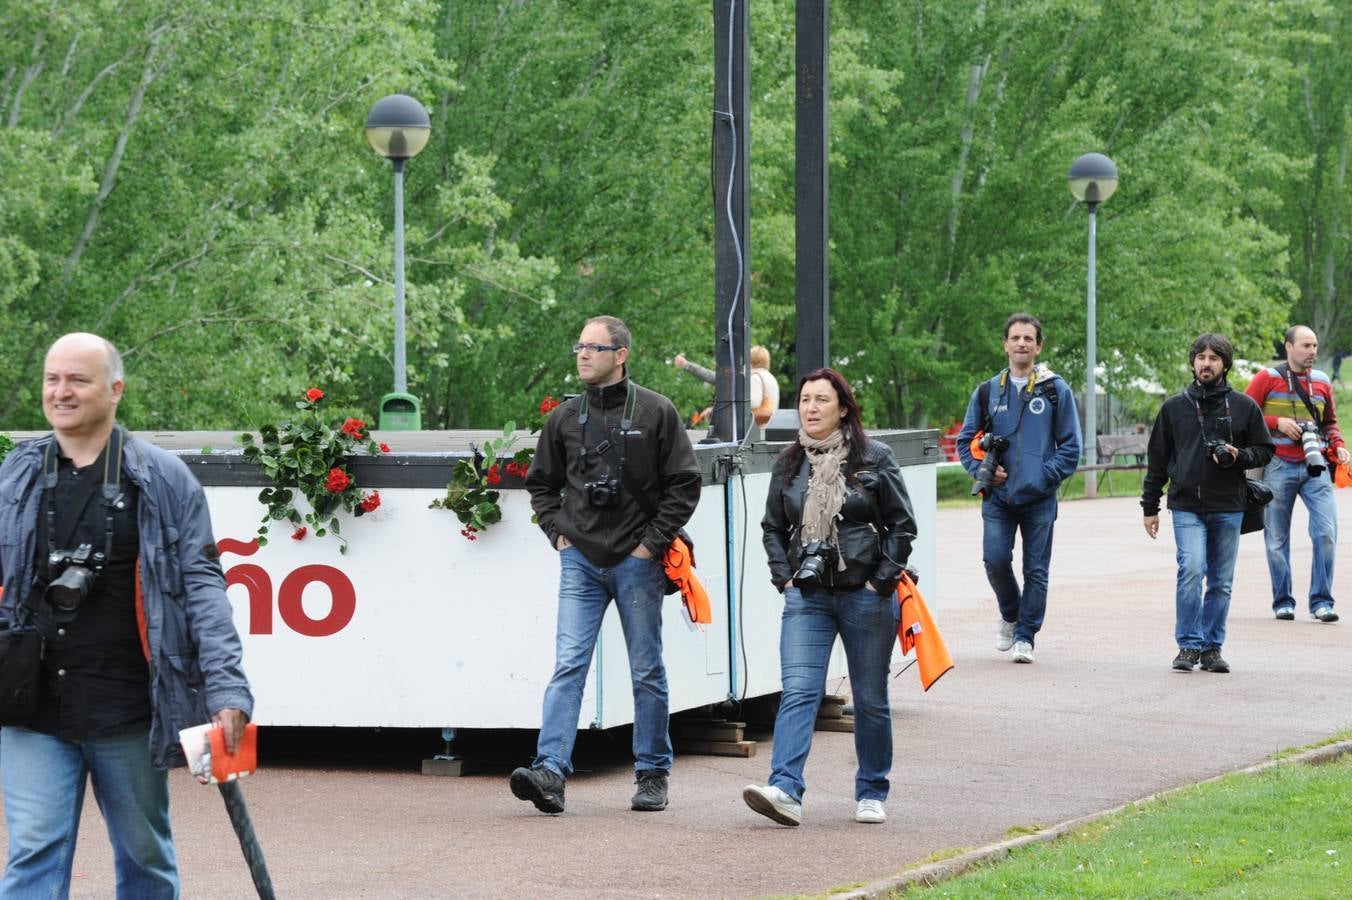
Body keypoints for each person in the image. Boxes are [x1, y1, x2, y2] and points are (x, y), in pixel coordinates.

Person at [0, 333, 253, 898]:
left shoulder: (161, 478)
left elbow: (203, 586)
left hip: (129, 707)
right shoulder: (15, 475)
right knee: (32, 851)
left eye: (77, 380)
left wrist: (227, 690)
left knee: (145, 855)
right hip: (31, 702)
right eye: (51, 379)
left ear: (115, 390)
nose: (60, 392)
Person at [514, 316, 700, 815]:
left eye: (593, 348)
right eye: (578, 346)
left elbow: (685, 483)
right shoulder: (564, 418)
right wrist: (559, 536)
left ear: (620, 355)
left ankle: (653, 774)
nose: (582, 355)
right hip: (580, 560)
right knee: (568, 665)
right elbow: (540, 485)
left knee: (646, 669)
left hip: (637, 561)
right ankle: (549, 771)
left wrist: (651, 545)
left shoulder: (657, 411)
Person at [743, 368, 917, 827]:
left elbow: (902, 526)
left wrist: (879, 582)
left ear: (843, 407)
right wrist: (784, 578)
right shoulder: (788, 463)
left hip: (865, 596)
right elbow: (773, 528)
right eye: (804, 400)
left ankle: (872, 789)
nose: (811, 408)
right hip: (808, 596)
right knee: (799, 691)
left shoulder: (874, 457)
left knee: (870, 697)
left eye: (822, 400)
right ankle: (784, 789)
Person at [1140, 334, 1274, 673]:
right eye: (1201, 356)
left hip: (1229, 505)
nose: (1206, 363)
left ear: (1225, 364)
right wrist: (1150, 506)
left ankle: (1212, 647)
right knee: (1192, 570)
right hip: (1186, 504)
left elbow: (1264, 449)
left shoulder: (1244, 406)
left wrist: (1238, 455)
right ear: (1193, 362)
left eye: (1214, 357)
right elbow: (1157, 459)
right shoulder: (1174, 407)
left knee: (1221, 580)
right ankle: (1188, 644)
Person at [956, 313, 1081, 664]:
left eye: (1029, 338)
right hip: (998, 498)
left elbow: (1071, 446)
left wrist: (1043, 476)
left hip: (1039, 498)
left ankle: (1026, 636)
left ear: (1038, 346)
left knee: (1036, 571)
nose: (1022, 343)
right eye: (1015, 338)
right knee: (994, 561)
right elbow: (965, 441)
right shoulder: (986, 391)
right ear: (1005, 344)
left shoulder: (1056, 390)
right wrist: (981, 470)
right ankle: (1011, 614)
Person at [1244, 325, 1350, 623]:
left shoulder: (1322, 380)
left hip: (1315, 466)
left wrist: (1339, 446)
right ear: (1288, 347)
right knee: (1276, 538)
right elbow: (1242, 415)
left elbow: (1329, 422)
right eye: (1306, 345)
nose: (1312, 351)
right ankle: (1283, 601)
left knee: (1327, 533)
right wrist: (1277, 421)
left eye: (1315, 346)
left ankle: (1321, 602)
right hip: (1278, 465)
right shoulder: (1267, 378)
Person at [673, 344, 780, 427]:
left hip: (755, 433)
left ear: (750, 361)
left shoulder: (755, 377)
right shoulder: (771, 378)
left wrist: (716, 408)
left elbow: (751, 403)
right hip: (767, 430)